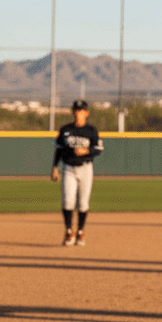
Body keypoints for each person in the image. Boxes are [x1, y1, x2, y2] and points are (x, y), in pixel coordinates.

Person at [50, 99, 103, 246]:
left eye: (81, 111)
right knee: (68, 201)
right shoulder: (65, 129)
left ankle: (80, 231)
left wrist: (87, 151)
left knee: (83, 203)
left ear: (86, 113)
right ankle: (68, 232)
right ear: (73, 112)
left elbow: (98, 149)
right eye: (76, 110)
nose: (78, 113)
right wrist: (55, 167)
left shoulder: (91, 131)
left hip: (86, 168)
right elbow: (59, 149)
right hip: (68, 168)